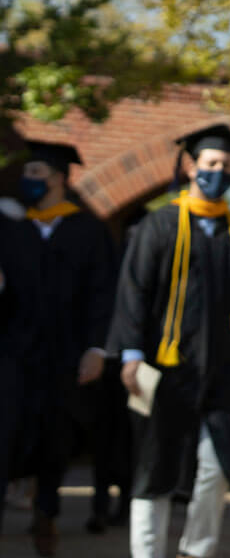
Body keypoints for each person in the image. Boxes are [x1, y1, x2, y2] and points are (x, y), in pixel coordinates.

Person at [107, 124, 230, 558]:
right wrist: (131, 354)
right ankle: (147, 552)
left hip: (227, 370)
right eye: (212, 163)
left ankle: (197, 550)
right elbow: (134, 291)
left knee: (217, 465)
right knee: (153, 467)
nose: (219, 171)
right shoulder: (158, 225)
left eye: (228, 165)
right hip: (164, 367)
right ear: (191, 167)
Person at [0, 140, 116, 556]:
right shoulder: (12, 228)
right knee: (5, 430)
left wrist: (96, 349)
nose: (28, 180)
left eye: (37, 173)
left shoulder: (88, 231)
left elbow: (103, 295)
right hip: (13, 351)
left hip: (65, 353)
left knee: (56, 436)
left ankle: (45, 511)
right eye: (27, 173)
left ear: (60, 179)